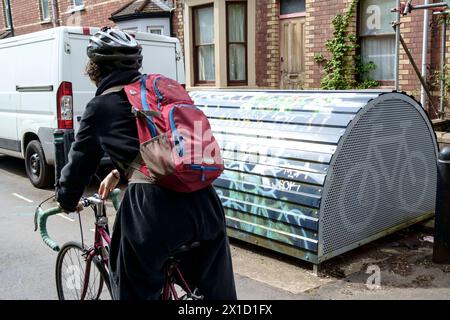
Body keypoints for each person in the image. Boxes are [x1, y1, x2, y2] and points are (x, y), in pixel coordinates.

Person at [56, 27, 237, 300]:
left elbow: (79, 163)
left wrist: (66, 199)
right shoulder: (158, 91)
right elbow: (169, 148)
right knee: (218, 296)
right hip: (205, 205)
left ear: (95, 68)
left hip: (153, 213)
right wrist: (119, 170)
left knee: (133, 287)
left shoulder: (100, 106)